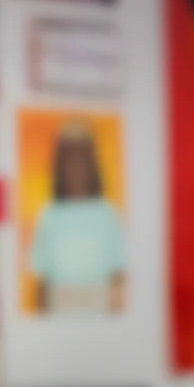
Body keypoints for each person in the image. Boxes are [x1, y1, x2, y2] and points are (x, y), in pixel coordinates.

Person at [26, 121, 125, 314]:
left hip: (101, 315)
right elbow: (41, 284)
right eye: (69, 160)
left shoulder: (107, 214)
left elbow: (118, 277)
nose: (76, 168)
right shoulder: (49, 214)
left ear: (92, 164)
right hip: (59, 315)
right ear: (59, 166)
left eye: (82, 160)